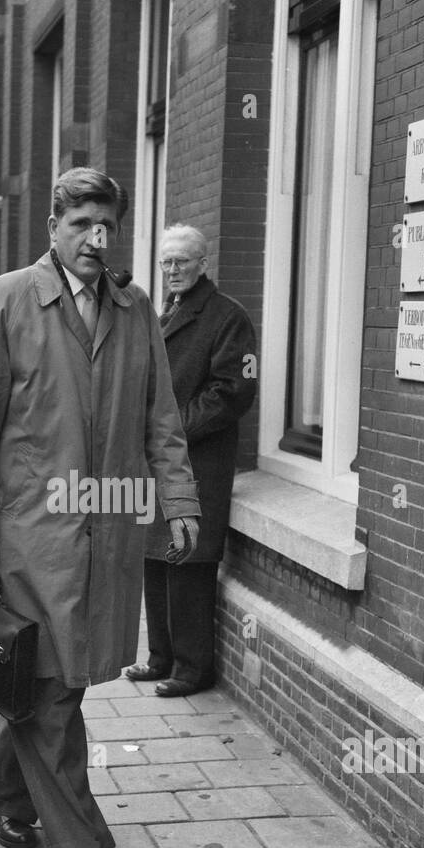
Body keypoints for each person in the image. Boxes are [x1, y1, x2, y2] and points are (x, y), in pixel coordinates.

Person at [0, 168, 200, 848]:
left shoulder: (135, 309)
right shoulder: (3, 303)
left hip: (108, 533)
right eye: (83, 222)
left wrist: (179, 500)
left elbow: (161, 419)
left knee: (59, 679)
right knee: (52, 690)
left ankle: (1, 799)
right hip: (31, 537)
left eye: (108, 225)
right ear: (53, 225)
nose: (97, 237)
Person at [126, 224, 257, 696]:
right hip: (159, 464)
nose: (173, 269)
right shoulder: (166, 311)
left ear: (204, 263)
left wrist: (169, 429)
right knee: (154, 558)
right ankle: (160, 657)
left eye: (183, 260)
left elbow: (231, 393)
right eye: (166, 261)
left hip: (197, 461)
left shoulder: (227, 316)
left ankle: (191, 669)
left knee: (187, 563)